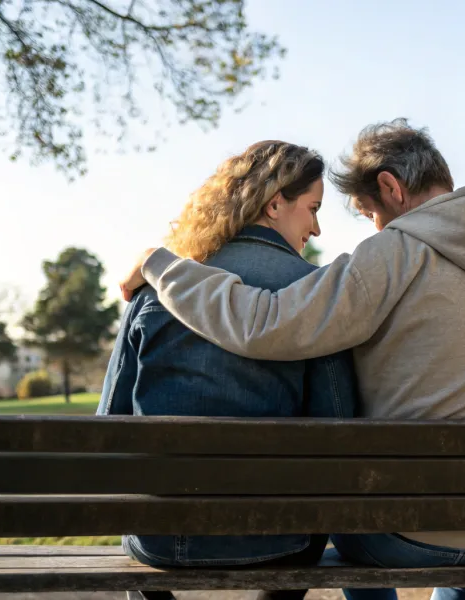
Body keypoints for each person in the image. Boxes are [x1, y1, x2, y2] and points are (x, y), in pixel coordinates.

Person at [119, 119, 465, 600]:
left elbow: (264, 324)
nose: (372, 227)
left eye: (368, 213)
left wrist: (160, 264)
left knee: (341, 507)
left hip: (401, 535)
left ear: (390, 188)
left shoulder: (394, 253)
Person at [98, 140, 357, 600]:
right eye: (313, 208)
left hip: (161, 539)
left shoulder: (155, 288)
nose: (316, 228)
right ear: (275, 203)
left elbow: (109, 424)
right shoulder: (315, 294)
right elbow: (337, 427)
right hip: (280, 540)